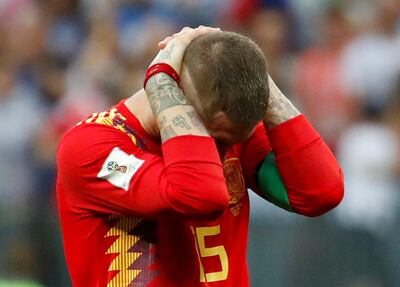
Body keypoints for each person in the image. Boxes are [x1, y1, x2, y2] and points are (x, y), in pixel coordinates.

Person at [56, 26, 344, 287]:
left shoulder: (232, 133)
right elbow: (199, 195)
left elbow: (321, 192)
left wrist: (248, 71)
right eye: (217, 138)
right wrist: (160, 81)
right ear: (176, 96)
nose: (220, 151)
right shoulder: (92, 148)